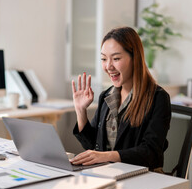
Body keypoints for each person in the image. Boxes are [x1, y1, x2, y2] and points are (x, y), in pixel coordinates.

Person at [70, 26, 171, 170]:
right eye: (104, 59)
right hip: (108, 173)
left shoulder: (158, 98)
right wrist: (81, 111)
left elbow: (151, 152)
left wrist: (106, 156)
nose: (108, 66)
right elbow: (93, 146)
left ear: (134, 58)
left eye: (116, 58)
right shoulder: (107, 96)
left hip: (141, 177)